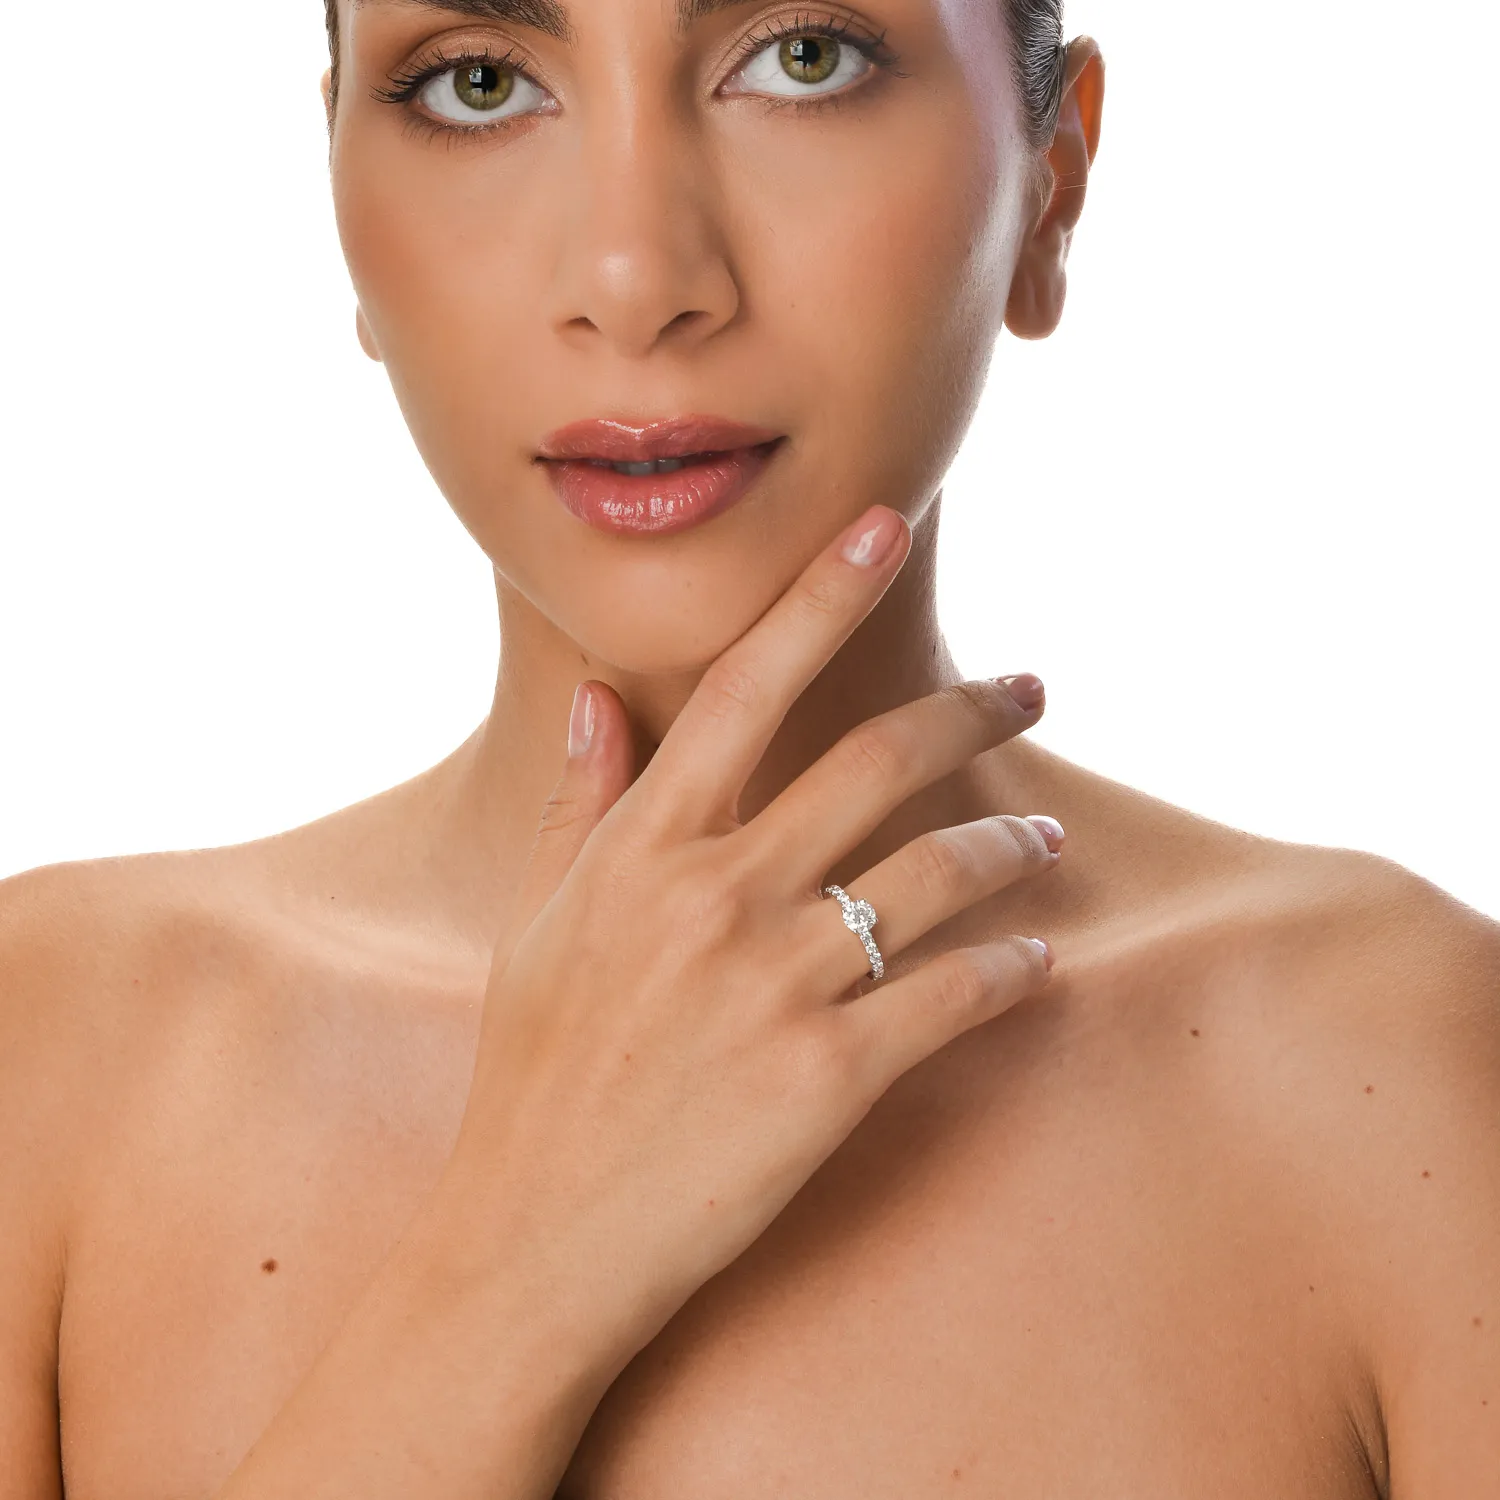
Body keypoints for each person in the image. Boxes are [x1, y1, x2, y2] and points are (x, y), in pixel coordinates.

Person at [1, 0, 1496, 1494]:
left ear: (1052, 184)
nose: (636, 281)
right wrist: (519, 1264)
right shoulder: (52, 1058)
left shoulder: (1402, 1078)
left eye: (803, 56)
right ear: (335, 178)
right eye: (480, 83)